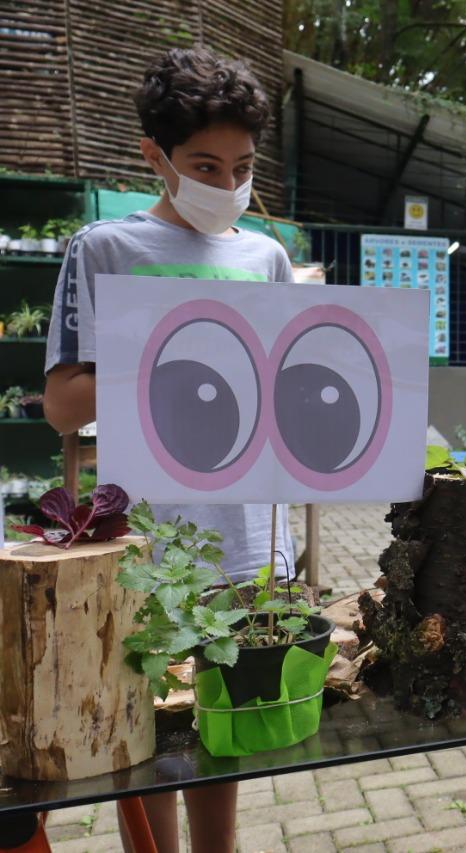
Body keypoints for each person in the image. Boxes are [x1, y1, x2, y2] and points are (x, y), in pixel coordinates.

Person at [42, 47, 296, 853]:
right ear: (154, 156)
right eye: (205, 167)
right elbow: (62, 405)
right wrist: (171, 352)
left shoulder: (265, 257)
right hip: (147, 538)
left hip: (246, 532)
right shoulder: (103, 249)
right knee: (145, 730)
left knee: (224, 727)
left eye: (242, 168)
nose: (227, 185)